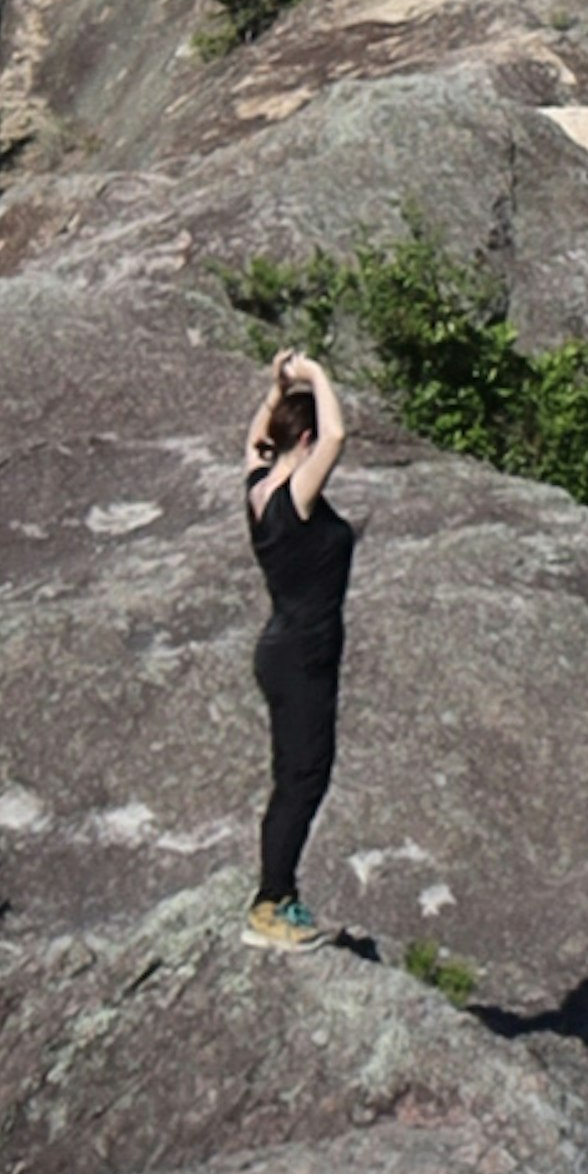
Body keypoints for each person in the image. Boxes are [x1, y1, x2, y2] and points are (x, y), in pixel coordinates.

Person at [241, 345, 353, 947]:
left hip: (283, 648)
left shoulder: (259, 491)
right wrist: (310, 375)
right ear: (304, 438)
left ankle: (278, 891)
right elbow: (336, 434)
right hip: (304, 657)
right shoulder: (296, 499)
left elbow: (256, 443)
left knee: (294, 776)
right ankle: (269, 905)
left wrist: (274, 389)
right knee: (303, 780)